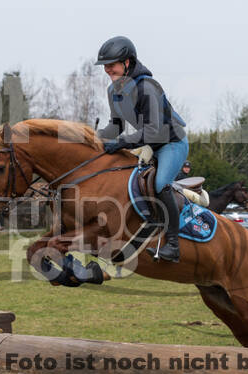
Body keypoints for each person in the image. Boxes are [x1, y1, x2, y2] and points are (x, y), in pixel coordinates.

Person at [95, 36, 188, 263]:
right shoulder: (112, 91)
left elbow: (155, 131)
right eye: (105, 65)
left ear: (127, 62)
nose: (108, 69)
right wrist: (92, 139)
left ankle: (173, 245)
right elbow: (115, 127)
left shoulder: (147, 87)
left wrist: (123, 142)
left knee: (159, 184)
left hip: (171, 143)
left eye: (112, 64)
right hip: (148, 144)